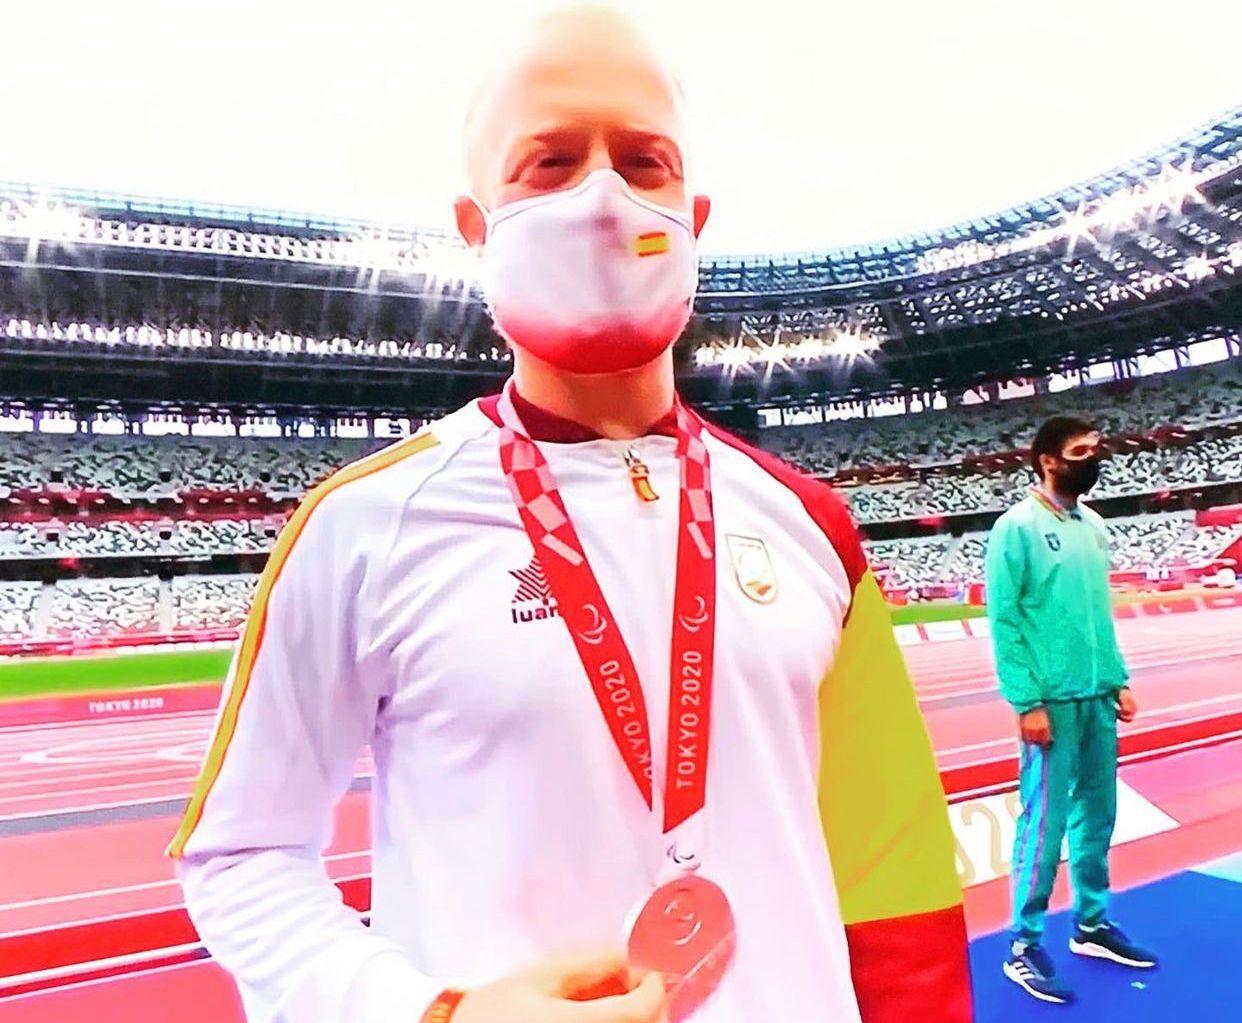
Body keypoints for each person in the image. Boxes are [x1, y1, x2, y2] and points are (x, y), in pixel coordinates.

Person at [169, 7, 971, 1022]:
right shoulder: (361, 527)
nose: (601, 198)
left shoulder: (811, 525)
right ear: (476, 227)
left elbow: (892, 867)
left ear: (693, 215)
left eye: (643, 162)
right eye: (548, 163)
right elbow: (242, 853)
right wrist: (436, 1014)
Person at [985, 414, 1158, 1006]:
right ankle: (1023, 942)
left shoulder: (1094, 526)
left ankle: (1091, 923)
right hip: (1050, 705)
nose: (1094, 459)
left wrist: (1117, 679)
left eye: (1096, 449)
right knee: (1044, 824)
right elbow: (1004, 619)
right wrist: (1026, 701)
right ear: (1048, 461)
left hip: (1096, 698)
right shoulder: (1016, 528)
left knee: (1098, 817)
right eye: (1081, 451)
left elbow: (1096, 613)